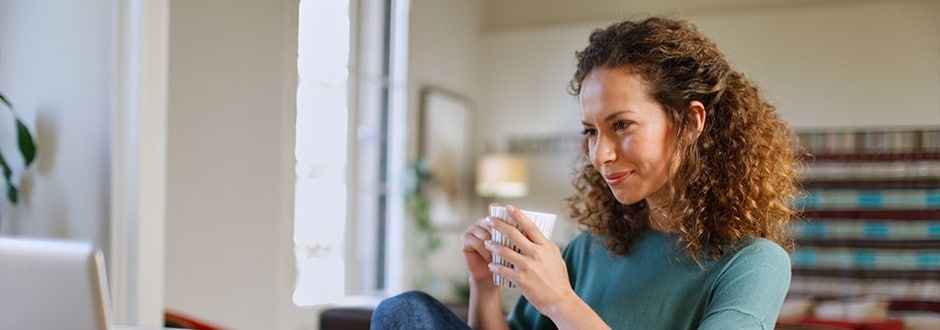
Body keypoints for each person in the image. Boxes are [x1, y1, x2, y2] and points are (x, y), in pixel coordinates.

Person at [371, 16, 802, 330]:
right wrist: (484, 285)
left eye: (621, 126)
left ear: (691, 122)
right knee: (403, 312)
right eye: (591, 132)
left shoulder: (754, 264)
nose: (601, 155)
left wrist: (560, 301)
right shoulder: (588, 251)